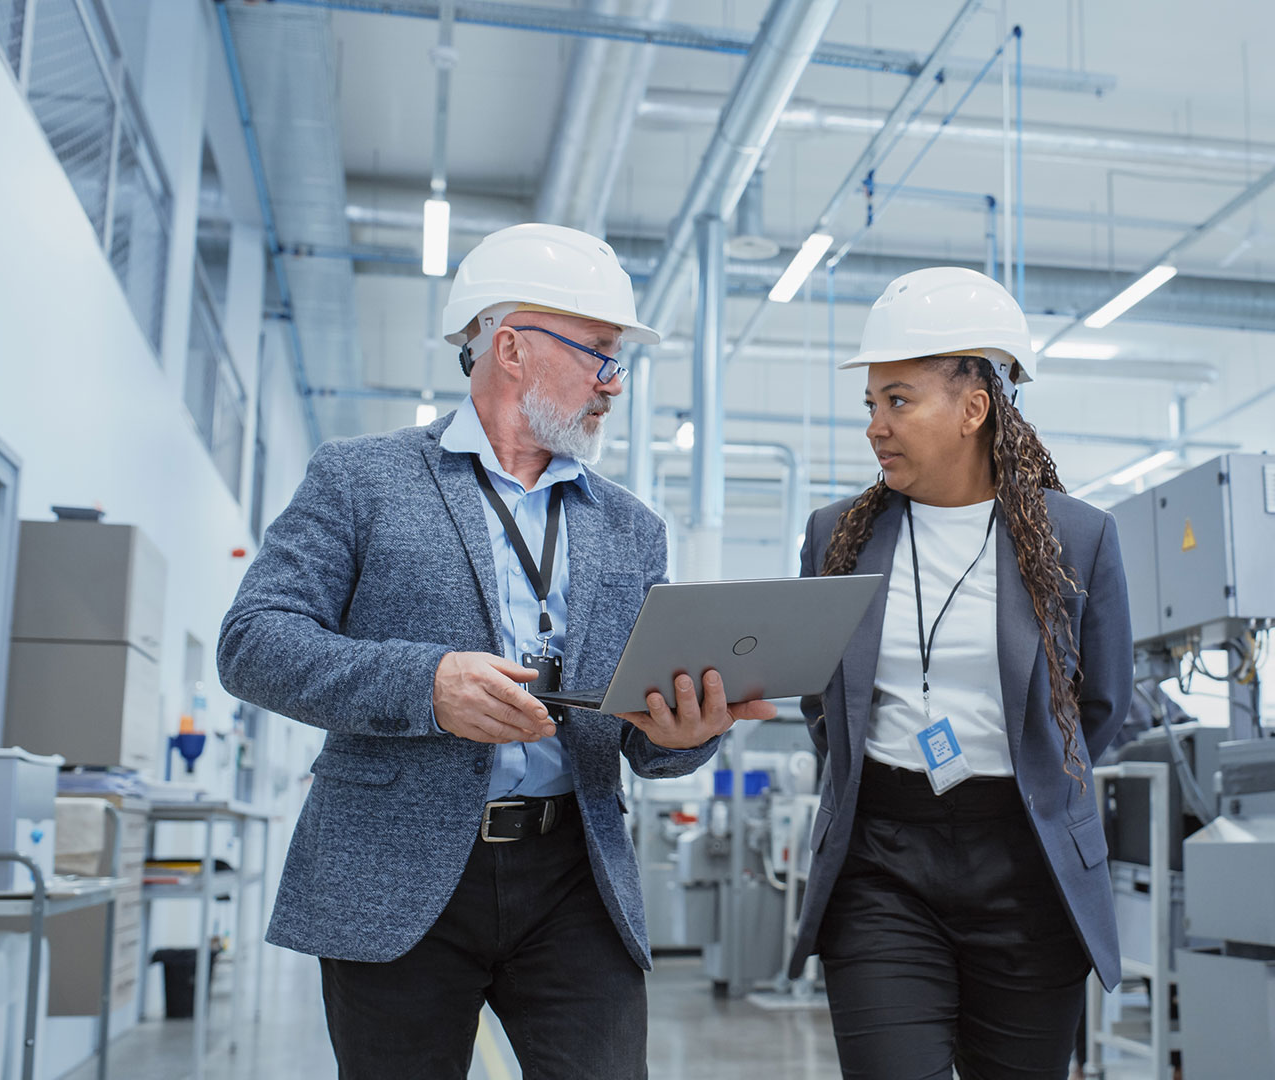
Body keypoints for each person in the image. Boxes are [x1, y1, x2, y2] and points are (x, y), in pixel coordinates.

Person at [219, 223, 772, 1079]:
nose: (613, 383)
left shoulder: (632, 529)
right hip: (396, 871)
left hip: (574, 877)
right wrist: (426, 684)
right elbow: (254, 642)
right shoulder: (361, 480)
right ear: (510, 348)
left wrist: (685, 733)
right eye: (598, 352)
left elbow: (638, 742)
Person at [785, 267, 1135, 1079]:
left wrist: (1043, 782)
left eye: (898, 400)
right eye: (871, 404)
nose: (876, 424)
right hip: (881, 864)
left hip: (1028, 866)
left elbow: (1104, 706)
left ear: (974, 408)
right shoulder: (836, 535)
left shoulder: (1076, 539)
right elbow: (821, 700)